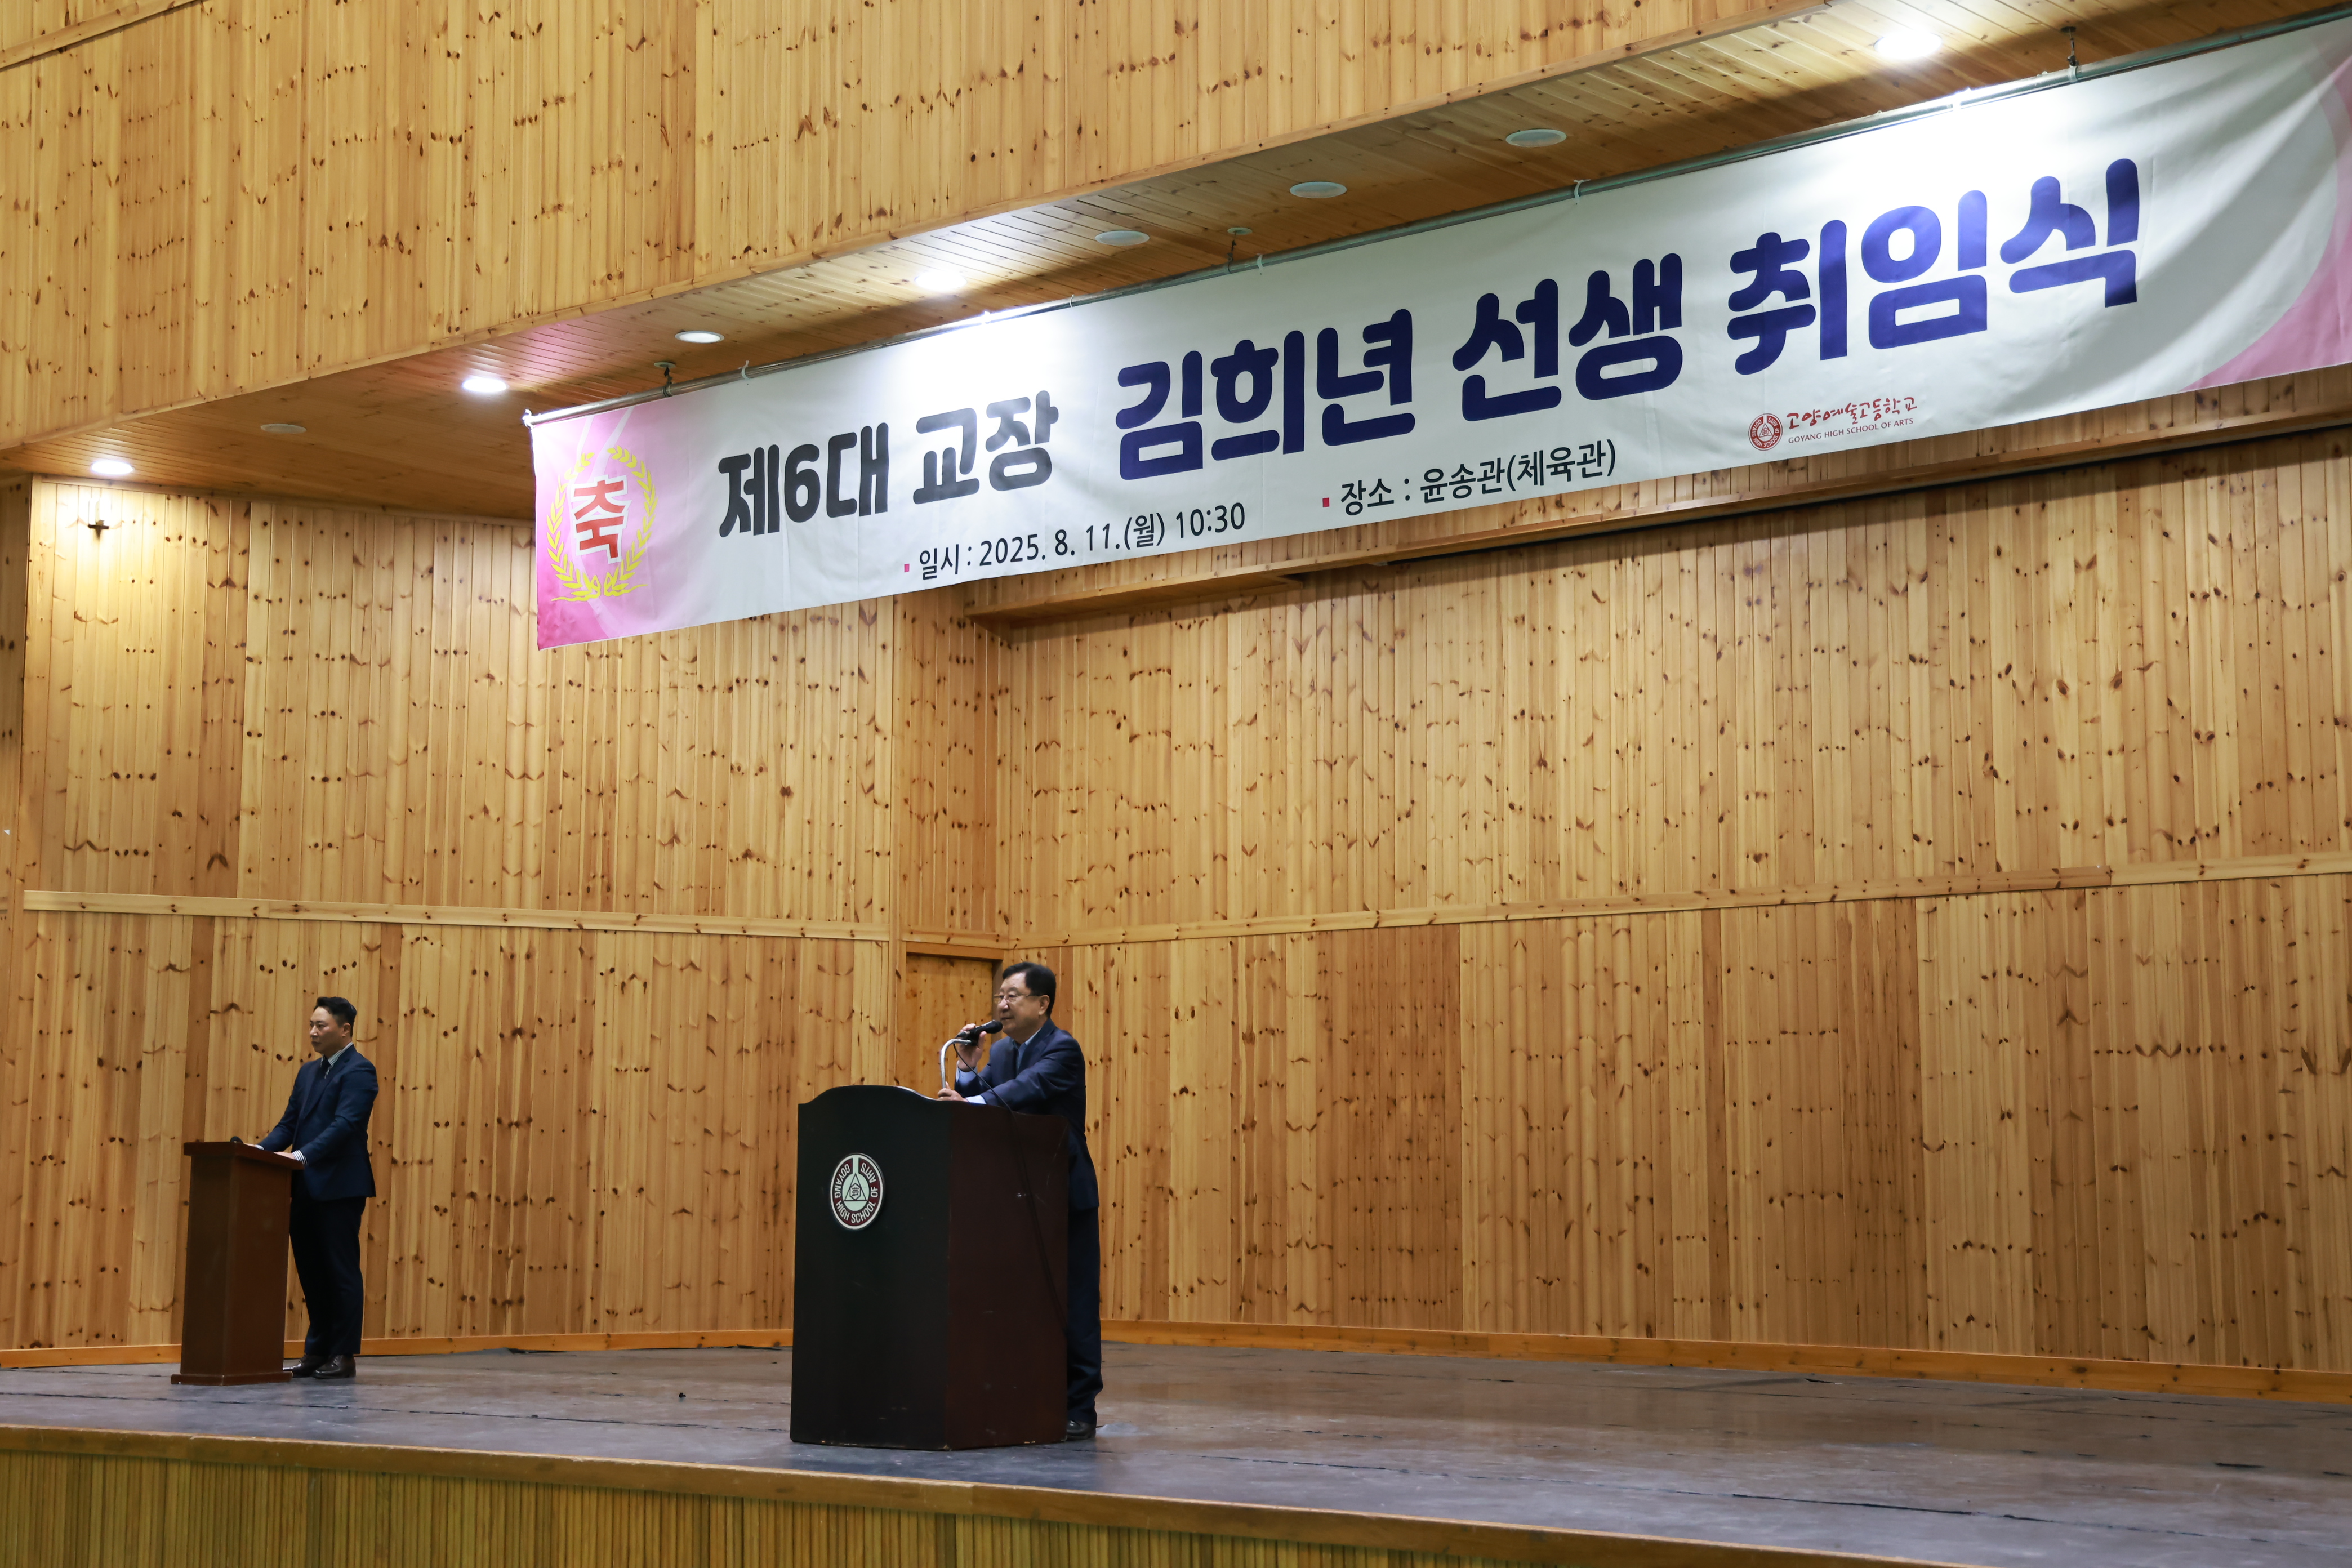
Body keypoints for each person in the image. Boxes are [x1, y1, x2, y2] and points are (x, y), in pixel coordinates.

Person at [937, 961, 1102, 1438]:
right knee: (1016, 1301)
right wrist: (968, 1070)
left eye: (1012, 996)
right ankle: (1023, 1399)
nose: (1002, 1005)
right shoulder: (1005, 1050)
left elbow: (1026, 1092)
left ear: (1042, 1004)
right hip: (1013, 1199)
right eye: (1000, 997)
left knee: (1071, 1301)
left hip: (1062, 1195)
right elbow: (986, 1099)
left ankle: (1079, 1408)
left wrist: (971, 1101)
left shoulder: (1062, 1048)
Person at [256, 995, 379, 1380]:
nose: (312, 1032)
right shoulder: (308, 1072)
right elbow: (289, 1124)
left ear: (345, 1030)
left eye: (321, 1025)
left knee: (340, 1272)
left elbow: (345, 1126)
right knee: (311, 1272)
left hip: (340, 1187)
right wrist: (259, 1151)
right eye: (311, 1024)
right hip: (305, 1186)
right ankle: (318, 1351)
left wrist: (301, 1156)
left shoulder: (360, 1071)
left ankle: (343, 1354)